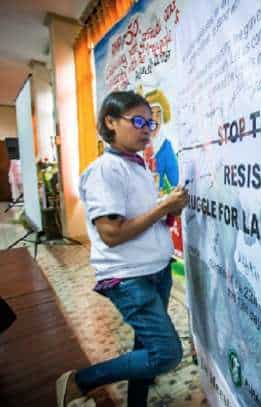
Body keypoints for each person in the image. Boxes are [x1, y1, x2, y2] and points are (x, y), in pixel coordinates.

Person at [56, 91, 188, 407]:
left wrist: (167, 210)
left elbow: (136, 218)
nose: (146, 128)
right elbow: (112, 233)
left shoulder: (137, 166)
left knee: (147, 345)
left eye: (150, 122)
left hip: (155, 271)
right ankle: (80, 381)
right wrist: (161, 209)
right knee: (166, 354)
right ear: (111, 122)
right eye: (138, 121)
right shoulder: (106, 170)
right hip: (130, 279)